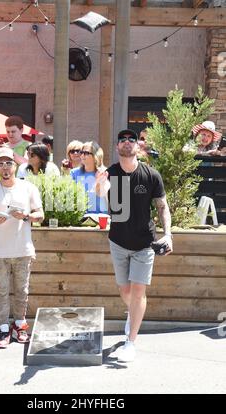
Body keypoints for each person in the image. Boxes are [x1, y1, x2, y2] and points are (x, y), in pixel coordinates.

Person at [96, 129, 173, 362]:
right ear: (117, 146)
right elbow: (104, 198)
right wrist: (100, 186)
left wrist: (168, 234)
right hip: (118, 241)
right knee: (125, 291)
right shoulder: (110, 173)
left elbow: (162, 206)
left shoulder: (151, 175)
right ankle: (133, 315)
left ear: (138, 146)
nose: (127, 142)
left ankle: (131, 342)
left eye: (132, 139)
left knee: (138, 292)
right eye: (122, 140)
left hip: (144, 243)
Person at [0, 147, 44, 349]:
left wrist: (24, 216)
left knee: (22, 291)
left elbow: (40, 215)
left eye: (8, 163)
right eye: (0, 163)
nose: (5, 167)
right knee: (2, 292)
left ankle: (20, 326)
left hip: (23, 249)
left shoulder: (28, 188)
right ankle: (3, 329)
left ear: (15, 165)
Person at [70, 141, 107, 215]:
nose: (82, 155)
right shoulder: (74, 173)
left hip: (99, 218)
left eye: (86, 153)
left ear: (95, 155)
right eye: (81, 152)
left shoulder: (104, 173)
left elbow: (107, 203)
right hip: (80, 218)